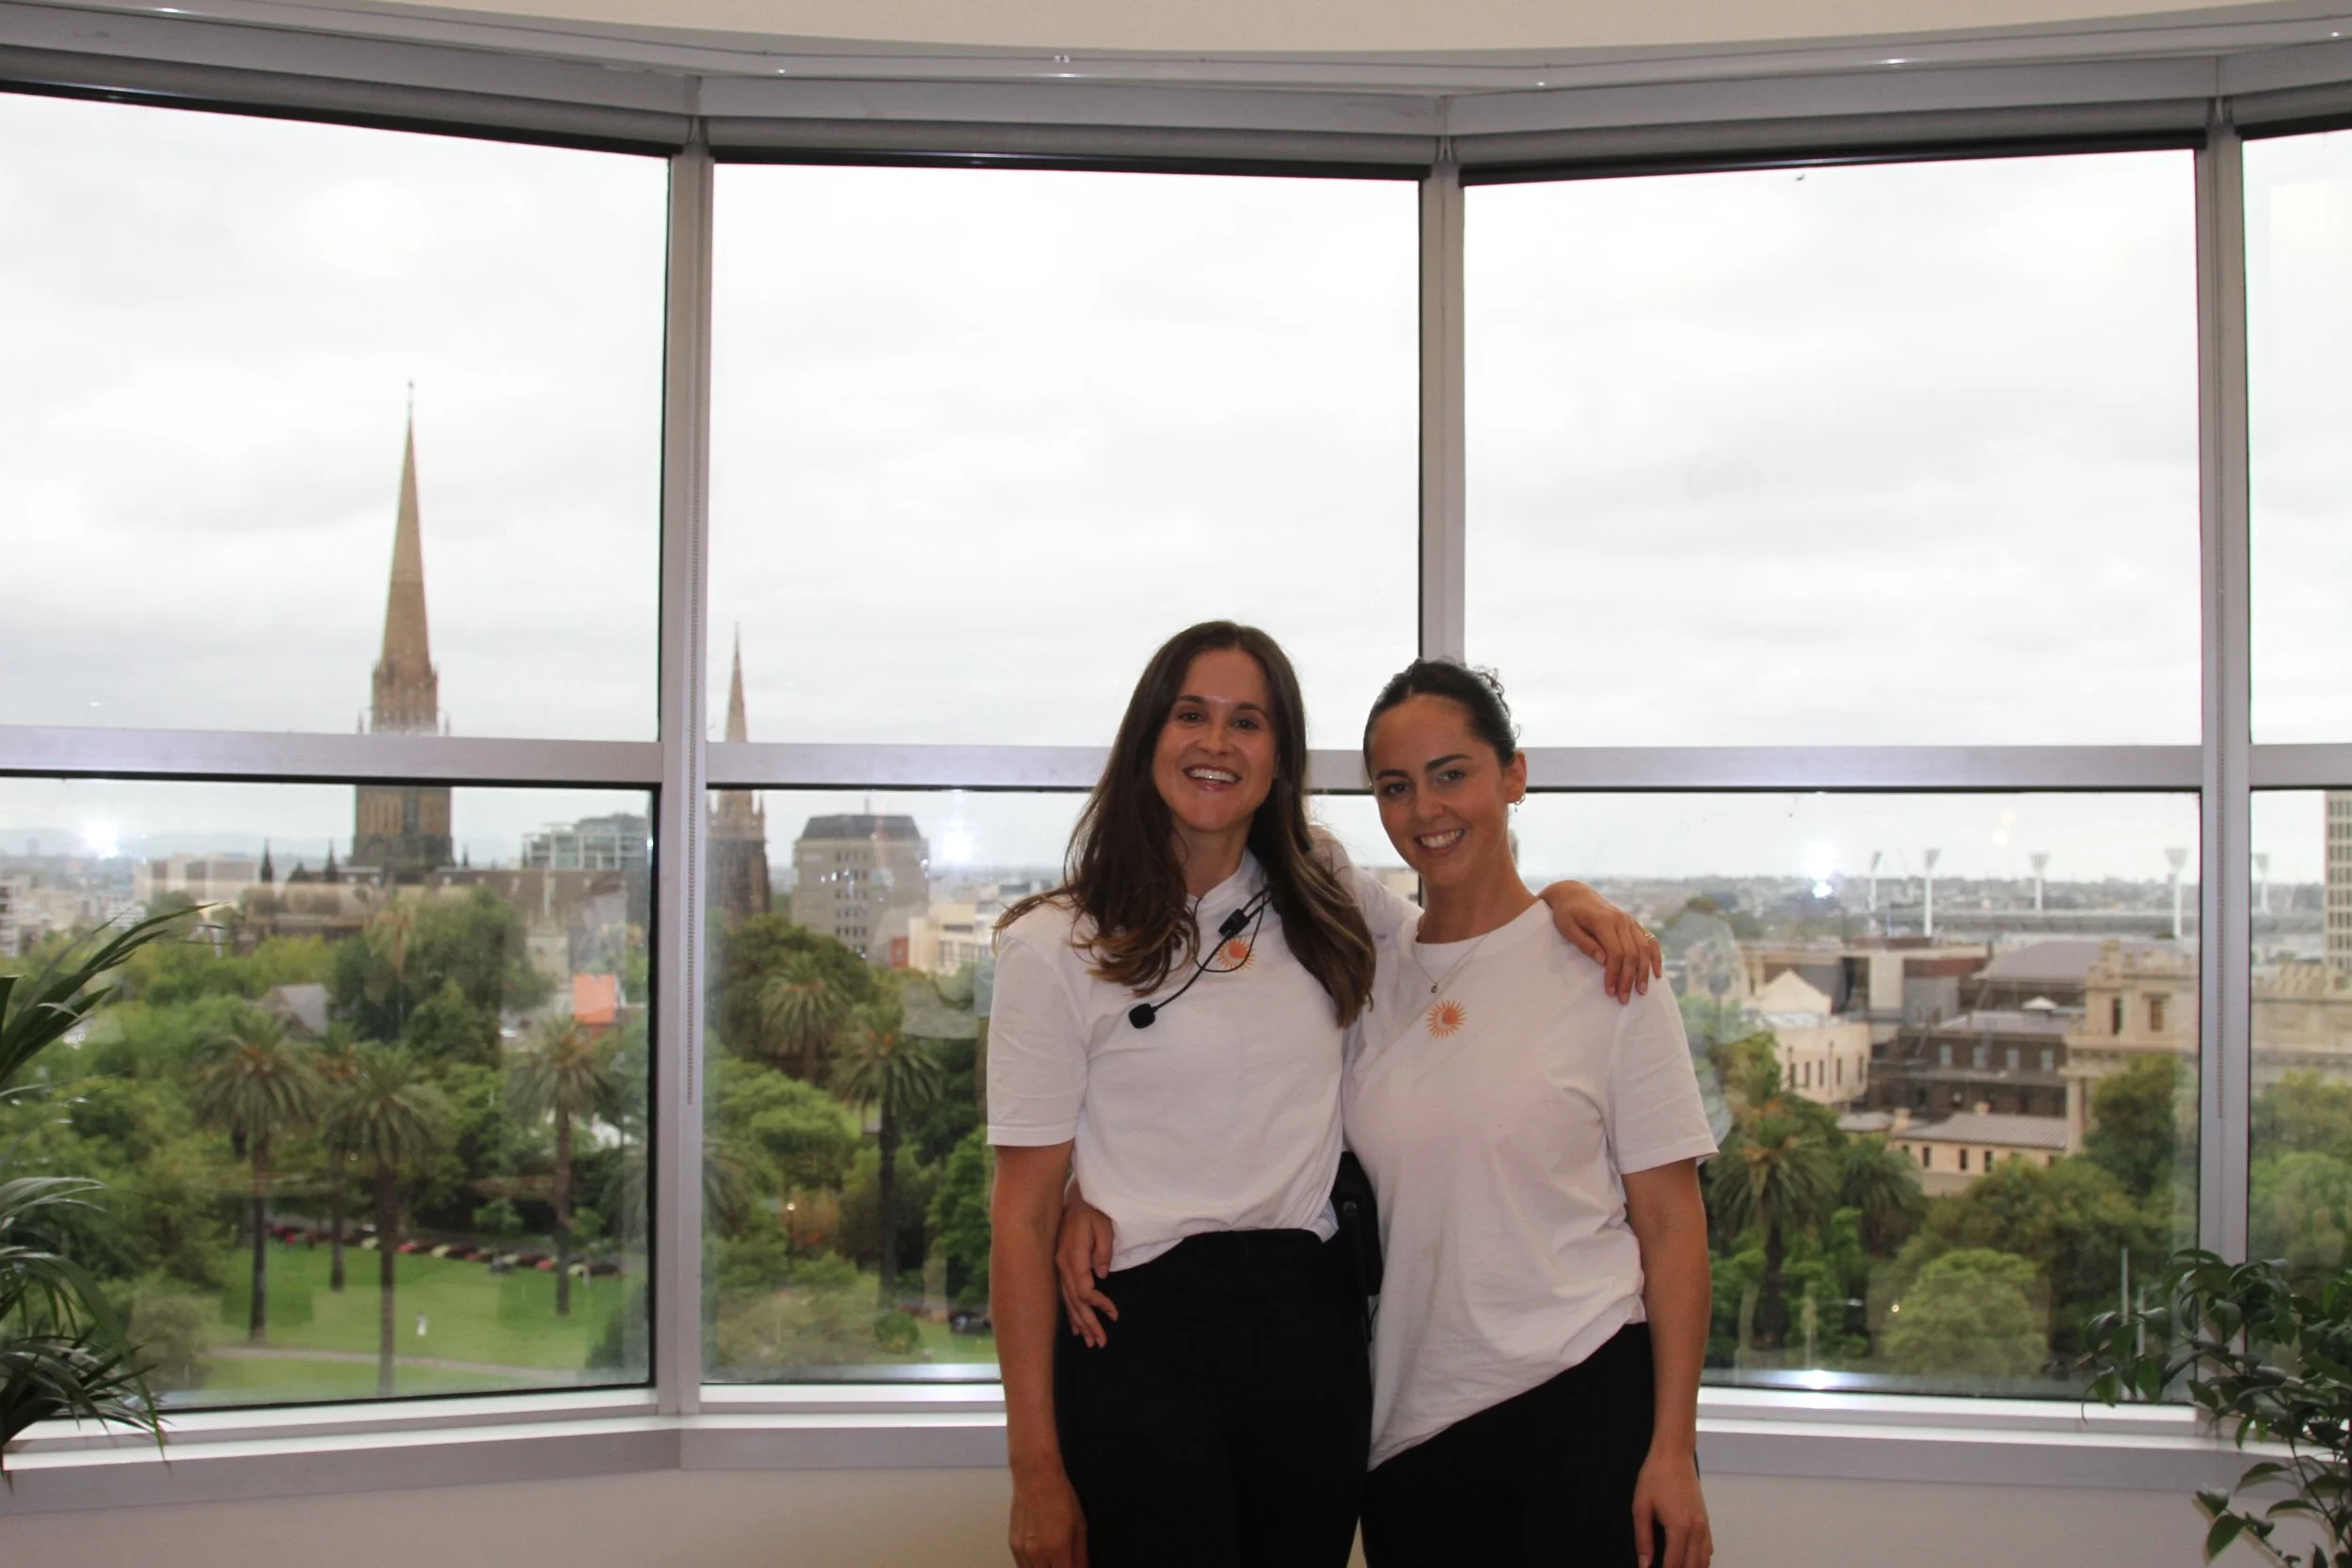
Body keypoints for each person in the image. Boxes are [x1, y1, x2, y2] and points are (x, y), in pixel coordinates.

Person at [988, 621, 1659, 1568]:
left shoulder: (1321, 886)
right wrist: (1034, 1467)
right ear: (1146, 738)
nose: (1216, 742)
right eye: (1191, 714)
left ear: (1279, 759)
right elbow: (1015, 1216)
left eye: (1247, 721)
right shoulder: (1053, 946)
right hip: (1135, 1332)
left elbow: (1461, 938)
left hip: (1311, 1334)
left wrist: (1567, 897)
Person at [1345, 658, 1717, 1568]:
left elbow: (1672, 1226)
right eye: (1397, 786)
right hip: (1409, 1428)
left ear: (1514, 775)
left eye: (1453, 773)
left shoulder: (1605, 972)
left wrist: (1672, 1450)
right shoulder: (1367, 968)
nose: (1427, 809)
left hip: (1582, 1397)